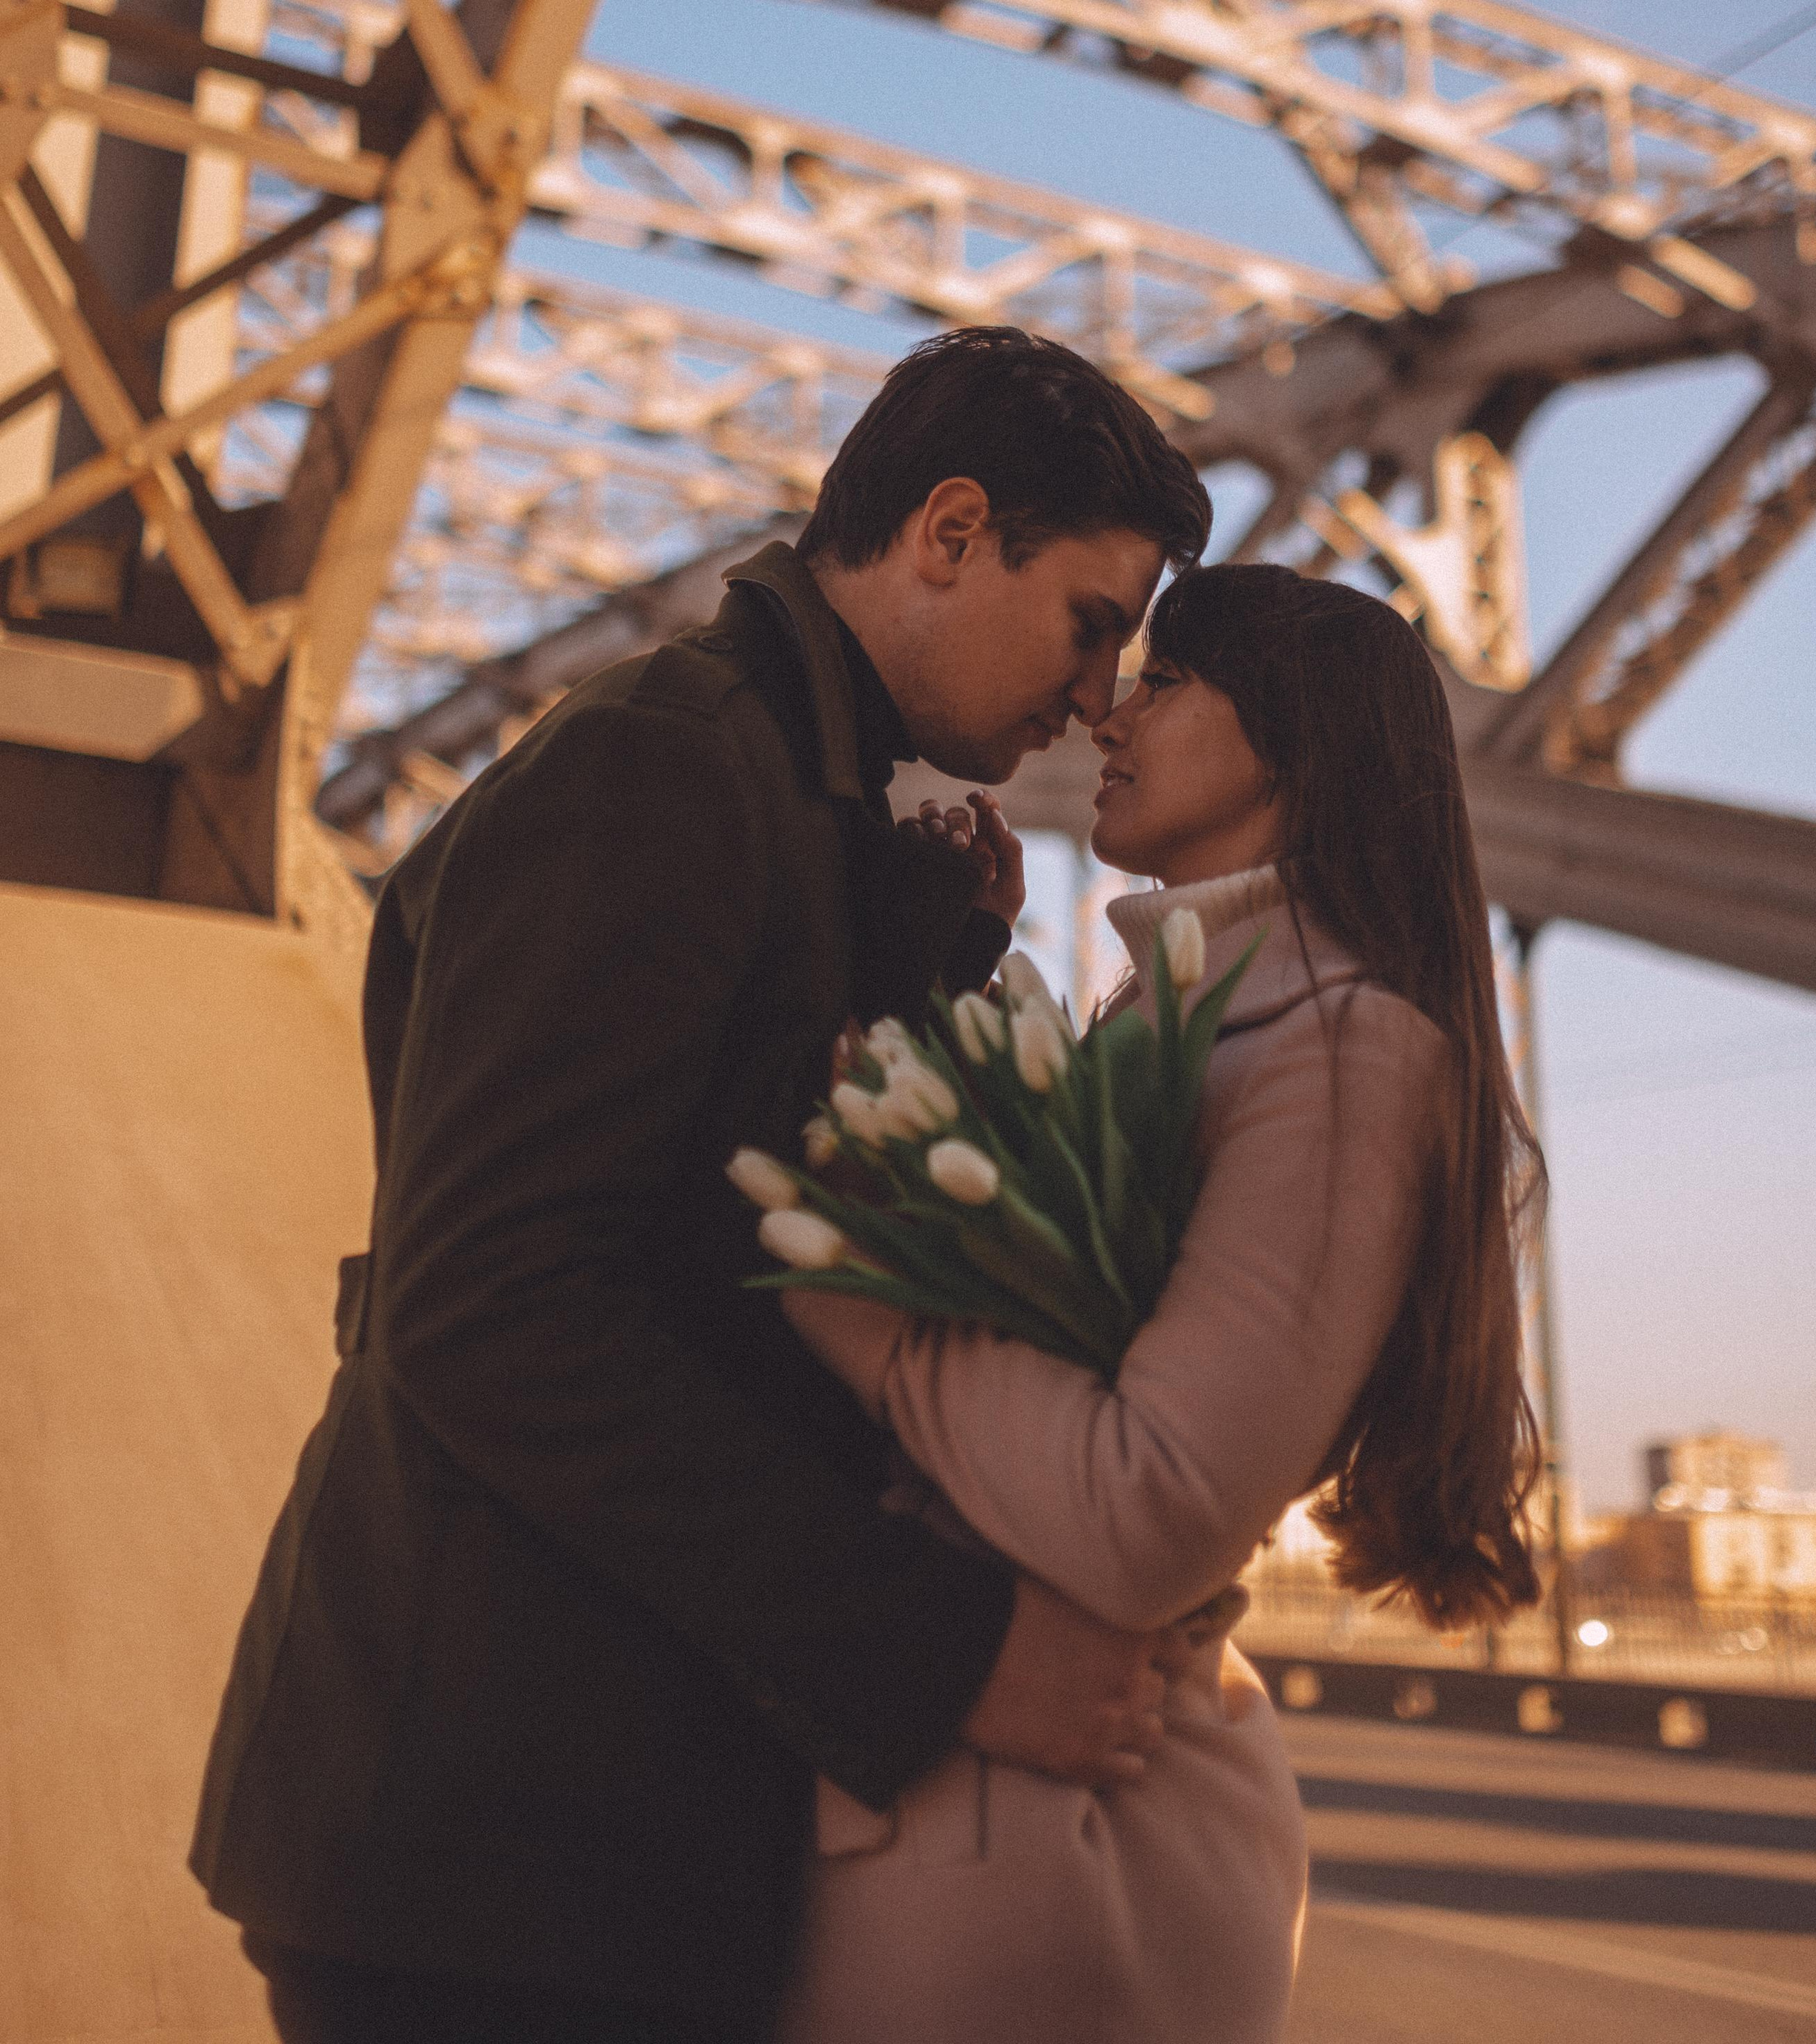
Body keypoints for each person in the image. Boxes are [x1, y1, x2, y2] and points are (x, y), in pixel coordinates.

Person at [188, 327, 1211, 2044]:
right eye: (1090, 623)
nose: (1099, 694)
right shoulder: (659, 766)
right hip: (487, 1864)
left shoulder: (771, 787)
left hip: (556, 1834)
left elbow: (706, 1200)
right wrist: (945, 1651)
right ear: (951, 533)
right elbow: (493, 1309)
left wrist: (924, 953)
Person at [781, 558, 1547, 2044]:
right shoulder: (1186, 1015)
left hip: (1065, 1861)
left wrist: (839, 1276)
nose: (1106, 712)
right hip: (974, 1810)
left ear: (1294, 744)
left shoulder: (1340, 1045)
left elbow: (1145, 1509)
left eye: (1169, 679)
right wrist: (939, 976)